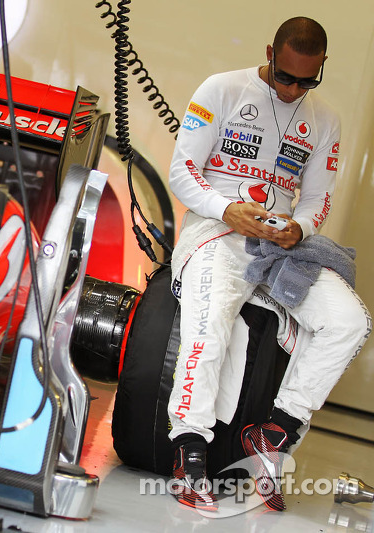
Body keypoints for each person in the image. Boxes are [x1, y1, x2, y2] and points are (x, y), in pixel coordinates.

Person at [166, 16, 371, 512]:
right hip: (216, 229)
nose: (294, 88)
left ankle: (276, 431)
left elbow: (318, 199)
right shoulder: (221, 89)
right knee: (212, 320)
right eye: (286, 77)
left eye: (307, 80)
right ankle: (189, 450)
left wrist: (299, 228)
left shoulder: (325, 120)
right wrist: (226, 209)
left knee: (351, 321)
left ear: (321, 69)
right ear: (270, 54)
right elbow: (182, 171)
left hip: (281, 247)